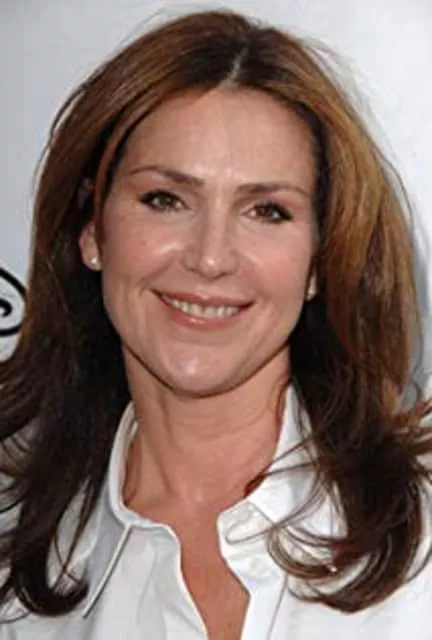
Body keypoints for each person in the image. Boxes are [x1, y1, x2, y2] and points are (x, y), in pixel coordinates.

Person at [0, 8, 431, 639]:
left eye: (267, 211)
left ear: (320, 259)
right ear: (91, 230)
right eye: (165, 200)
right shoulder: (16, 562)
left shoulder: (422, 531)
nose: (209, 258)